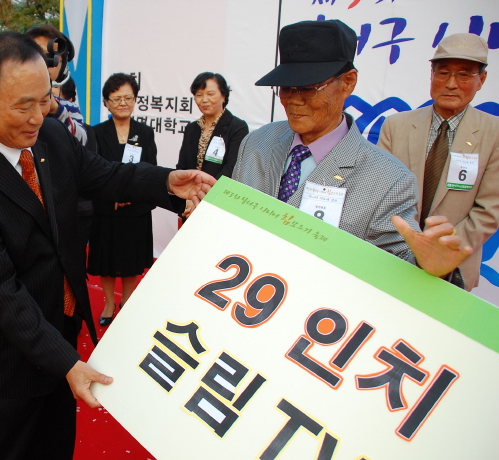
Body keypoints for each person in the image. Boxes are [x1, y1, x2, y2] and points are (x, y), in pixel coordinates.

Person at [0, 32, 214, 460]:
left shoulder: (51, 136)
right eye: (23, 106)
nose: (37, 117)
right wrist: (65, 362)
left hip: (60, 333)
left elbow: (104, 175)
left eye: (45, 101)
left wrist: (166, 181)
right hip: (4, 354)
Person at [231, 19, 471, 282]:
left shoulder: (389, 181)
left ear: (348, 82)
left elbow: (400, 265)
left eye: (308, 89)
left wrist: (433, 269)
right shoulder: (258, 143)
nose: (294, 100)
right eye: (286, 88)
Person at [378, 33, 499, 291]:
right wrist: (409, 249)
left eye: (464, 75)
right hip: (392, 260)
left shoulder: (494, 133)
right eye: (443, 73)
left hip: (452, 269)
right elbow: (380, 194)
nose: (451, 84)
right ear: (431, 75)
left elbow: (489, 210)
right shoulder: (396, 126)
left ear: (482, 80)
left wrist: (440, 254)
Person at [88, 73, 157, 326]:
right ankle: (108, 303)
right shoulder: (95, 133)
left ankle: (127, 301)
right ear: (106, 102)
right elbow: (91, 172)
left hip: (135, 208)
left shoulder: (145, 133)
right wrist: (111, 197)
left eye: (128, 97)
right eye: (116, 98)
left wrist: (133, 197)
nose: (123, 103)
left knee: (130, 261)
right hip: (106, 209)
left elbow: (151, 169)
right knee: (106, 261)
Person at [177, 72, 249, 180]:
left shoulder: (237, 127)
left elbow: (232, 168)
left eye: (210, 94)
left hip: (218, 192)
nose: (204, 100)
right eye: (199, 95)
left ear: (223, 96)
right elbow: (182, 166)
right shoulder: (192, 128)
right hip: (190, 193)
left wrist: (208, 192)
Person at [25, 25, 88, 145]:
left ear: (62, 67)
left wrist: (57, 110)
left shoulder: (69, 108)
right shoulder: (9, 100)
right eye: (38, 54)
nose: (45, 62)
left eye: (53, 56)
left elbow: (81, 142)